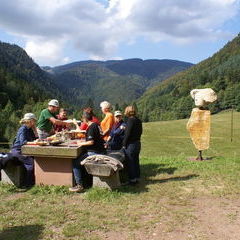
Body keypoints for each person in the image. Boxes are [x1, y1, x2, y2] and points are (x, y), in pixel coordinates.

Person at [70, 112, 105, 192]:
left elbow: (91, 142)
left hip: (95, 152)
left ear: (84, 119)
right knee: (81, 157)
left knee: (75, 162)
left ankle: (79, 185)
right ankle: (85, 182)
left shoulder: (91, 127)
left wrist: (80, 143)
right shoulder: (96, 125)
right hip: (101, 150)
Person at [0, 113, 38, 186]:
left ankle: (30, 181)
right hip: (18, 151)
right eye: (34, 121)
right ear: (30, 121)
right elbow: (23, 142)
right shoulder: (23, 129)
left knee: (34, 158)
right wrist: (34, 142)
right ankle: (29, 183)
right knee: (30, 163)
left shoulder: (29, 129)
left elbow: (35, 139)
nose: (35, 123)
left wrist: (35, 131)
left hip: (25, 150)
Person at [122, 106, 142, 185]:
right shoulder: (138, 120)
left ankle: (132, 180)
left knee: (130, 162)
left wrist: (124, 144)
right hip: (137, 143)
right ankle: (137, 177)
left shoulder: (130, 120)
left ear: (127, 112)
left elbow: (128, 134)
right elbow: (140, 131)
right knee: (136, 161)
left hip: (131, 144)